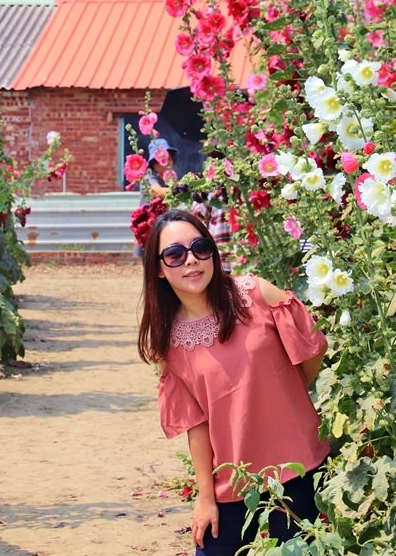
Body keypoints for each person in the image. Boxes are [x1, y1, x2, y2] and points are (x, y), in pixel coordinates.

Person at [137, 209, 329, 555]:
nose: (191, 261)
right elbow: (197, 427)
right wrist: (205, 498)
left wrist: (284, 396)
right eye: (176, 255)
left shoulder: (257, 294)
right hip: (233, 481)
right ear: (159, 270)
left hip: (300, 466)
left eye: (200, 247)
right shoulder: (170, 345)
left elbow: (312, 347)